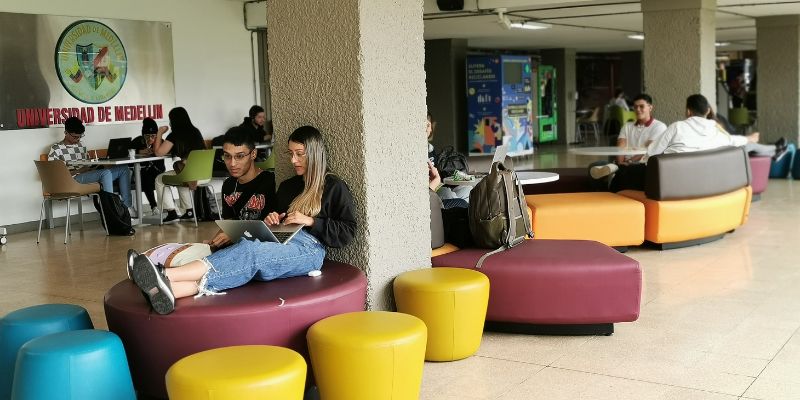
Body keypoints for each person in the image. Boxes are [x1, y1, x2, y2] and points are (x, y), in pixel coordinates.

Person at [127, 125, 357, 314]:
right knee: (246, 249)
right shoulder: (288, 186)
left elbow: (348, 231)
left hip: (310, 249)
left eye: (299, 154)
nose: (293, 160)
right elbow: (279, 220)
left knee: (252, 254)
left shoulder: (333, 186)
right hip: (282, 238)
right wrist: (273, 219)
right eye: (291, 153)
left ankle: (164, 275)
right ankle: (171, 290)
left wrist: (311, 221)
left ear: (315, 153)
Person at [595, 94, 776, 192]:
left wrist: (635, 163)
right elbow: (733, 140)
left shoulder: (677, 127)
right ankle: (615, 169)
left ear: (688, 111)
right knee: (628, 169)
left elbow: (651, 153)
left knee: (623, 175)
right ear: (707, 110)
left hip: (665, 178)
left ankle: (614, 174)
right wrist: (750, 139)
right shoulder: (714, 129)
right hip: (699, 179)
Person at [205, 125, 276, 249]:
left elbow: (275, 227)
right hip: (236, 246)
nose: (232, 163)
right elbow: (229, 224)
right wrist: (213, 242)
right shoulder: (228, 185)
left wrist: (236, 235)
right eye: (227, 156)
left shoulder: (270, 181)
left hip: (262, 248)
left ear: (253, 154)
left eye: (240, 156)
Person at [47, 116, 133, 209]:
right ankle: (112, 212)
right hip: (72, 180)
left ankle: (126, 209)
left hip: (87, 175)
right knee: (106, 173)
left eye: (80, 136)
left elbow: (86, 163)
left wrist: (94, 166)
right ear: (66, 133)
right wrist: (79, 171)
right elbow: (54, 175)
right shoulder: (56, 149)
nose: (78, 140)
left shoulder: (81, 145)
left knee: (123, 169)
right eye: (75, 137)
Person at [589, 94, 667, 179]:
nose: (638, 109)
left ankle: (613, 171)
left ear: (650, 108)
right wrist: (620, 162)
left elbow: (649, 150)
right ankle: (614, 170)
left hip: (642, 164)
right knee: (593, 166)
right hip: (624, 163)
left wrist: (630, 161)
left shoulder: (659, 126)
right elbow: (621, 146)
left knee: (628, 171)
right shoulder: (627, 126)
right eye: (635, 107)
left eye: (641, 106)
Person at [152, 107, 207, 222]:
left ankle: (171, 213)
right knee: (181, 176)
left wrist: (159, 133)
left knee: (159, 179)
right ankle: (189, 212)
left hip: (191, 175)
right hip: (204, 175)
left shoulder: (175, 135)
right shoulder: (195, 131)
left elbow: (158, 152)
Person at [130, 118, 167, 215]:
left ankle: (170, 206)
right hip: (142, 174)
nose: (150, 139)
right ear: (143, 135)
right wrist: (139, 152)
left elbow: (167, 151)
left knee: (161, 179)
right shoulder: (138, 141)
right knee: (144, 177)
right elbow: (128, 152)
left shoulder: (161, 141)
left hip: (158, 171)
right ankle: (154, 206)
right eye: (147, 136)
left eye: (153, 136)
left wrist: (156, 151)